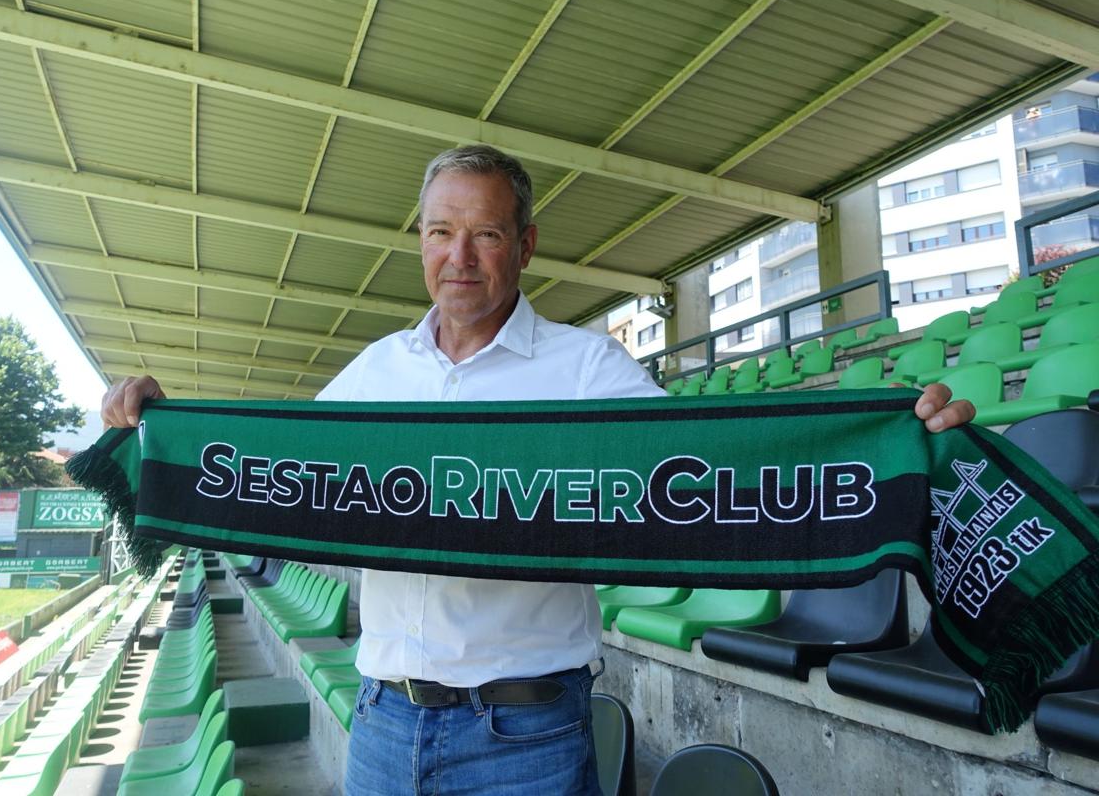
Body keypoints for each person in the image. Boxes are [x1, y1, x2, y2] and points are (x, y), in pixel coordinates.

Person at [101, 145, 976, 794]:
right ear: (420, 240)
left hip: (525, 736)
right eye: (442, 233)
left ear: (525, 244)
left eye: (485, 234)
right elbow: (279, 475)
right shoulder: (374, 371)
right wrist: (170, 427)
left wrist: (892, 441)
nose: (461, 257)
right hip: (382, 725)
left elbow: (712, 479)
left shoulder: (589, 370)